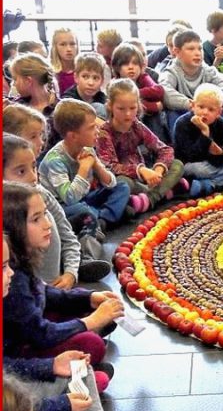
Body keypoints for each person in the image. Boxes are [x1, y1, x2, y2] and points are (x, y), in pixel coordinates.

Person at [2, 181, 124, 386]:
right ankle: (73, 378)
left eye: (44, 215)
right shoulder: (13, 280)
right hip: (19, 353)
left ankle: (80, 368)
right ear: (13, 227)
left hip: (28, 331)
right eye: (36, 219)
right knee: (91, 343)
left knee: (82, 310)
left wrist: (88, 299)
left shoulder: (18, 262)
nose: (47, 224)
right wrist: (91, 322)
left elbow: (43, 292)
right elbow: (39, 334)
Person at [2, 236, 107, 411]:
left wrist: (52, 365)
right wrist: (62, 404)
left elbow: (5, 366)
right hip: (15, 409)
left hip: (17, 393)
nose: (11, 273)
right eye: (3, 268)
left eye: (8, 265)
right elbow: (11, 410)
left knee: (80, 366)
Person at [3, 134, 111, 286]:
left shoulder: (41, 194)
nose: (33, 177)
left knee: (87, 216)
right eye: (21, 172)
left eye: (34, 167)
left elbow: (67, 236)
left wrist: (70, 273)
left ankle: (84, 259)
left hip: (52, 284)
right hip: (29, 291)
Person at [39, 99, 132, 228]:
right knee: (82, 210)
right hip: (63, 206)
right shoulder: (55, 160)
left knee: (122, 187)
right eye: (91, 127)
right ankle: (109, 215)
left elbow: (111, 184)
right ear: (73, 136)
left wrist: (97, 166)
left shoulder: (86, 148)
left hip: (85, 197)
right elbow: (69, 198)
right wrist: (84, 168)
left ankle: (101, 218)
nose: (97, 130)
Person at [97, 79, 186, 213]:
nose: (128, 114)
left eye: (132, 108)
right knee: (122, 183)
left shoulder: (136, 125)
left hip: (147, 179)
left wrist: (158, 170)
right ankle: (163, 192)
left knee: (177, 164)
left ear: (138, 106)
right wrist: (141, 170)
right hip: (129, 181)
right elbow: (110, 166)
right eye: (121, 109)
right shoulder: (104, 132)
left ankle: (149, 199)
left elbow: (165, 149)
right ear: (110, 106)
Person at [172, 84, 223, 197]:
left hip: (217, 162)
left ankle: (212, 184)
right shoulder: (182, 123)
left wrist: (222, 151)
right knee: (201, 170)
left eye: (211, 109)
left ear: (219, 113)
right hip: (195, 164)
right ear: (193, 106)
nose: (205, 112)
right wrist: (204, 133)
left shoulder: (219, 122)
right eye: (201, 107)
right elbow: (190, 156)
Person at [160, 29, 223, 140]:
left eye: (200, 48)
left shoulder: (208, 70)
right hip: (186, 114)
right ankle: (182, 148)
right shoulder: (171, 72)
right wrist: (192, 105)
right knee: (172, 110)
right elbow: (165, 91)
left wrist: (207, 104)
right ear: (177, 52)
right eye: (191, 49)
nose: (197, 53)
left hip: (208, 113)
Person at [111, 42, 168, 143]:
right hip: (125, 120)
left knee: (154, 116)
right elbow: (124, 106)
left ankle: (159, 146)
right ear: (117, 67)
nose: (131, 67)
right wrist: (153, 106)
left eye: (135, 63)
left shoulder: (143, 77)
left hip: (146, 118)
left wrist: (135, 94)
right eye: (125, 64)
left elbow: (159, 91)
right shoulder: (115, 84)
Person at [7, 53, 59, 156]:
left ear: (28, 81)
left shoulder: (60, 109)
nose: (13, 84)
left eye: (15, 79)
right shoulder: (16, 106)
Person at [61, 52, 108, 120]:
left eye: (95, 78)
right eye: (85, 77)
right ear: (76, 77)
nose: (91, 83)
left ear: (102, 81)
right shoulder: (68, 99)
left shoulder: (102, 98)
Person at [49, 28, 78, 94]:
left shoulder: (84, 69)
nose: (69, 49)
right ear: (55, 47)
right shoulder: (49, 72)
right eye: (63, 44)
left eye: (72, 44)